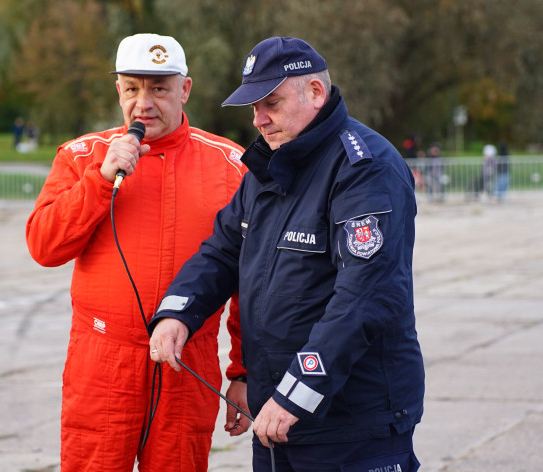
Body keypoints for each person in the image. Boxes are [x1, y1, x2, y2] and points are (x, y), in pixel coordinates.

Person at [149, 37, 425, 472]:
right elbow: (221, 251)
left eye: (271, 103)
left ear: (315, 93)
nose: (259, 120)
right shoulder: (269, 166)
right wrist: (177, 312)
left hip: (351, 424)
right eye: (254, 107)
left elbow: (365, 298)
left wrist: (296, 392)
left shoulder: (364, 168)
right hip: (278, 419)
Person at [25, 33, 250, 471]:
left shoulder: (231, 166)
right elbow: (44, 246)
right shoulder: (82, 156)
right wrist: (99, 180)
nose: (144, 103)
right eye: (132, 88)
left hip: (189, 362)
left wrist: (242, 373)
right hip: (102, 362)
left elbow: (252, 281)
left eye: (159, 88)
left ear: (185, 90)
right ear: (118, 91)